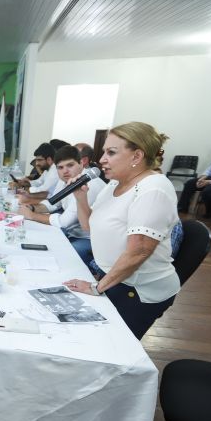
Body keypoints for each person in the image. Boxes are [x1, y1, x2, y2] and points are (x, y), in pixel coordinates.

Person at [63, 122, 179, 340]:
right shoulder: (114, 184)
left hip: (138, 291)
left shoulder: (153, 189)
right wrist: (80, 197)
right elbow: (89, 227)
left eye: (111, 152)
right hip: (114, 279)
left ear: (137, 156)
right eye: (104, 152)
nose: (102, 159)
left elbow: (139, 252)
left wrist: (97, 288)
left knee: (109, 344)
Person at [19, 146, 106, 266]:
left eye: (70, 165)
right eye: (60, 167)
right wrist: (32, 208)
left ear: (81, 163)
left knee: (58, 258)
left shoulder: (89, 184)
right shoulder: (66, 179)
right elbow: (53, 203)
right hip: (72, 232)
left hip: (90, 240)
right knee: (33, 241)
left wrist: (32, 215)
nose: (65, 171)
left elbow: (64, 222)